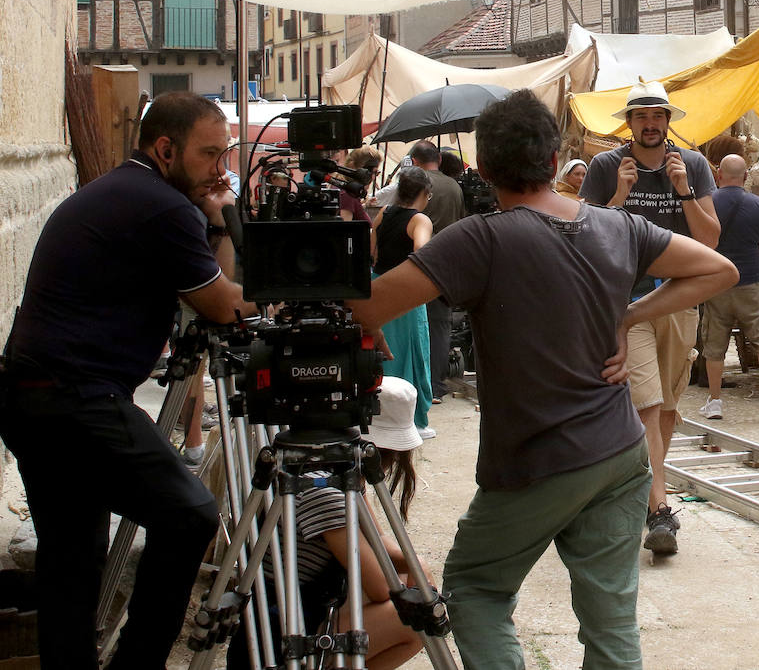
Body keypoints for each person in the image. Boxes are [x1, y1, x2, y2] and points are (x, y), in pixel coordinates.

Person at [348, 89, 735, 669]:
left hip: (534, 458)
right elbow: (718, 267)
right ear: (555, 162)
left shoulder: (479, 239)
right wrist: (628, 315)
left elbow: (364, 308)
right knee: (611, 621)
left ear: (484, 169)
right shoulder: (617, 228)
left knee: (475, 587)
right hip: (619, 451)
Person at [0, 91, 256, 670]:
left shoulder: (131, 190)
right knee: (190, 513)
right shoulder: (159, 206)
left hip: (34, 398)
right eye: (210, 155)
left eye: (226, 154)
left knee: (72, 562)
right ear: (165, 148)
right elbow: (221, 303)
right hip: (74, 400)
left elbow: (206, 283)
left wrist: (215, 221)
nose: (222, 170)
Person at [580, 79, 720, 555]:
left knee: (667, 407)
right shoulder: (605, 166)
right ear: (630, 123)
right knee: (644, 404)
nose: (650, 124)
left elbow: (710, 242)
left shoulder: (694, 165)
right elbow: (587, 235)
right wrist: (618, 197)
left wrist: (683, 189)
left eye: (657, 116)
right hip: (628, 302)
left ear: (667, 121)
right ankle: (660, 509)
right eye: (641, 116)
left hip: (679, 299)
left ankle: (644, 489)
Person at [227, 375, 429, 670]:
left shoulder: (336, 472)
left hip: (307, 612)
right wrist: (416, 576)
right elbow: (379, 586)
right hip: (281, 635)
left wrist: (418, 566)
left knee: (420, 594)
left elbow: (378, 543)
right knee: (415, 621)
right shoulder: (322, 488)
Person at [698, 154, 759, 422]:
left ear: (719, 176)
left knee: (714, 345)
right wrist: (757, 245)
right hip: (750, 283)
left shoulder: (708, 203)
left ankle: (715, 402)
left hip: (716, 284)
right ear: (746, 176)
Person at [371, 166, 436, 436]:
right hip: (407, 294)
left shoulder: (383, 213)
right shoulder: (420, 220)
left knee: (383, 355)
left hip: (380, 288)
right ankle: (414, 421)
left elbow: (372, 249)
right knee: (414, 353)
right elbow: (422, 253)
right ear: (425, 193)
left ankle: (382, 416)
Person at [404, 141, 467, 402]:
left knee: (413, 325)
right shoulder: (454, 185)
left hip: (416, 263)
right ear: (439, 158)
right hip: (448, 264)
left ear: (415, 161)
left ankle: (413, 384)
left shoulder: (413, 182)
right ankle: (436, 386)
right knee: (440, 326)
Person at [340, 146, 382, 224]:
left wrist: (365, 205)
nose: (374, 177)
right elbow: (343, 231)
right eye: (374, 172)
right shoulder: (348, 196)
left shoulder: (351, 194)